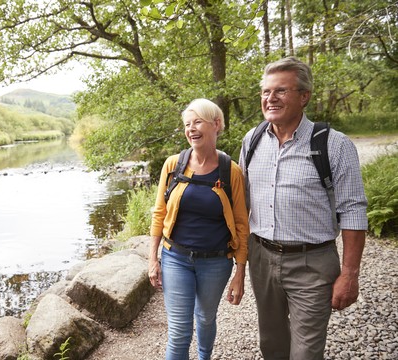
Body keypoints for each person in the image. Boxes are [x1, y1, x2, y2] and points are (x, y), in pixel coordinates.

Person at [239, 57, 368, 359]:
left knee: (306, 352)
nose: (270, 98)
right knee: (271, 344)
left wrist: (349, 274)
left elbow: (353, 210)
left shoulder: (335, 145)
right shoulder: (252, 140)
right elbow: (241, 202)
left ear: (304, 96)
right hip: (262, 257)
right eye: (265, 92)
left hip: (313, 263)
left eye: (281, 91)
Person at [148, 98, 249, 360]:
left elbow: (241, 223)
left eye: (197, 122)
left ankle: (205, 356)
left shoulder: (231, 172)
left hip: (216, 261)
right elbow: (159, 212)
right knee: (179, 331)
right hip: (175, 258)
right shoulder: (173, 165)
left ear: (216, 124)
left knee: (205, 318)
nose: (191, 129)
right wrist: (152, 259)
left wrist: (240, 272)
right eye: (187, 124)